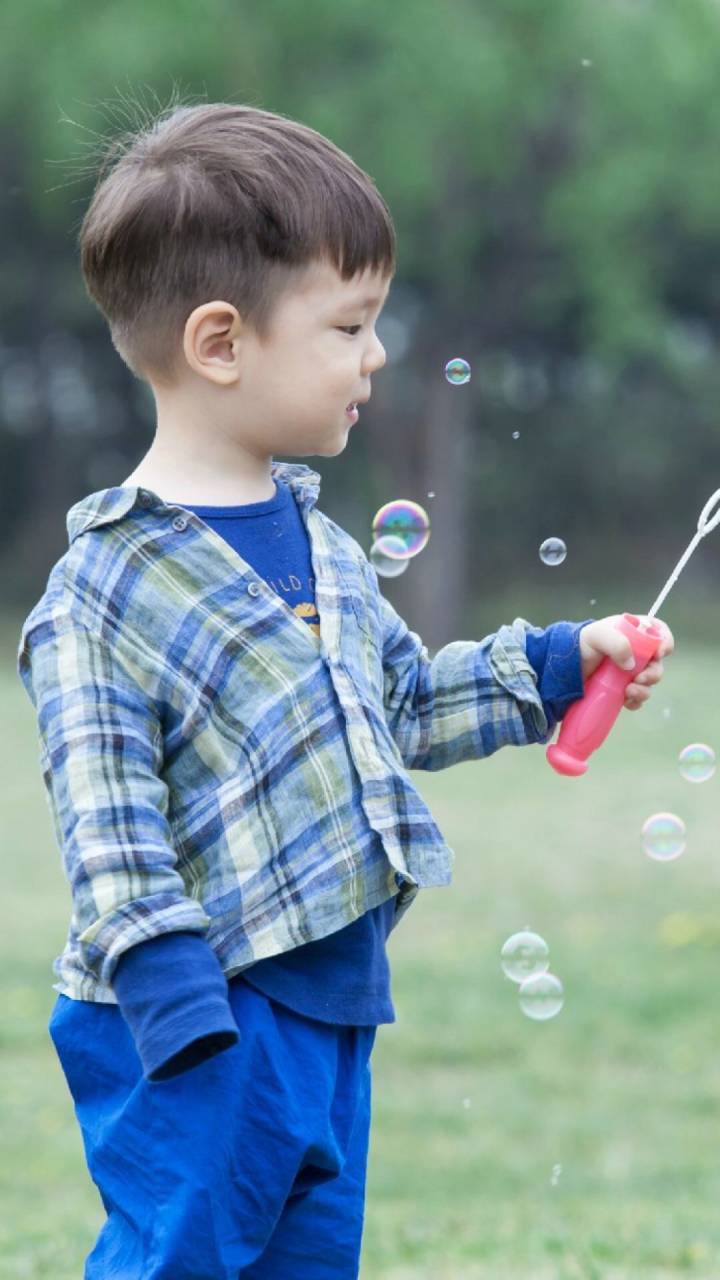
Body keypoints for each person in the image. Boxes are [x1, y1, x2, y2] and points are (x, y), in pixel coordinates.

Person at [16, 101, 673, 1280]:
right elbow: (109, 831)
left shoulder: (317, 544)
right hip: (199, 1014)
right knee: (182, 1261)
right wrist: (181, 1018)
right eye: (349, 324)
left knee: (308, 1261)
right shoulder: (102, 591)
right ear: (221, 342)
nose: (376, 354)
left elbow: (407, 703)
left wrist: (563, 659)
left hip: (328, 997)